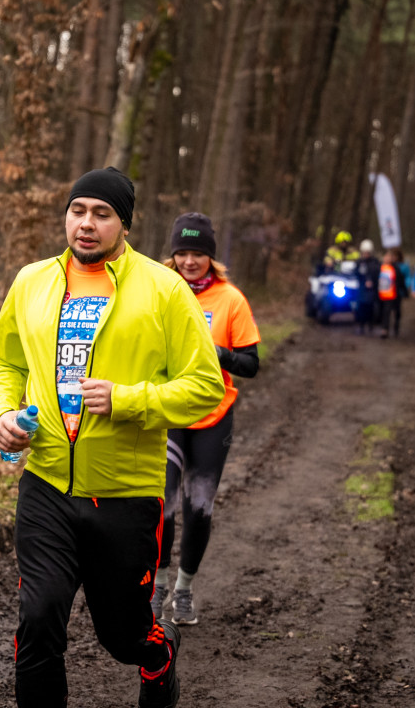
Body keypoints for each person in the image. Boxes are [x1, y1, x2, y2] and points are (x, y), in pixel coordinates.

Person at [0, 167, 225, 708]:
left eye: (101, 214)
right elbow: (4, 360)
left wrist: (128, 399)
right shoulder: (32, 281)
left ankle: (158, 657)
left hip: (125, 493)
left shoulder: (164, 291)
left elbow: (206, 387)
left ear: (124, 224)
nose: (85, 224)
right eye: (77, 210)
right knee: (40, 619)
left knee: (123, 638)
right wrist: (0, 413)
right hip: (46, 484)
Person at [152, 213, 261, 626]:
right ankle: (159, 583)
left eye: (198, 253)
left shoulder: (230, 300)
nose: (190, 260)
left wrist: (223, 355)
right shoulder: (162, 293)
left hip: (213, 416)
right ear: (174, 255)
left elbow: (251, 364)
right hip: (169, 413)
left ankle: (183, 588)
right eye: (183, 252)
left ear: (210, 258)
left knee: (199, 508)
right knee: (162, 503)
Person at [377, 248, 409, 338]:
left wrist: (405, 292)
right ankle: (385, 329)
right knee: (385, 312)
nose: (387, 258)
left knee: (397, 311)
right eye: (386, 256)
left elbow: (401, 280)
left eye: (389, 257)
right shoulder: (379, 267)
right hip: (383, 295)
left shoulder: (396, 268)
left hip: (395, 294)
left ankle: (396, 326)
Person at [353, 239, 381, 335]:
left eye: (368, 252)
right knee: (361, 309)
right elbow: (356, 274)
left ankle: (371, 325)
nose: (366, 254)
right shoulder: (359, 263)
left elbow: (378, 274)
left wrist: (373, 282)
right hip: (362, 289)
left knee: (372, 309)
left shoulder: (375, 262)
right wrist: (363, 281)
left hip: (372, 290)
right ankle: (361, 326)